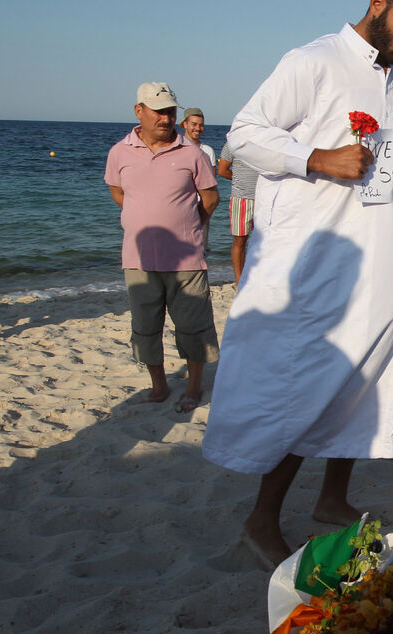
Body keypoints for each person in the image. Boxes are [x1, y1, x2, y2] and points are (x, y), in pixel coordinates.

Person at [201, 0, 393, 567]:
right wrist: (315, 158)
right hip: (314, 257)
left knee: (367, 369)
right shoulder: (314, 60)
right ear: (378, 4)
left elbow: (375, 161)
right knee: (309, 381)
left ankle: (332, 498)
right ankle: (261, 520)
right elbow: (244, 134)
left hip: (379, 248)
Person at [104, 82, 221, 413]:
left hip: (186, 260)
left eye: (171, 111)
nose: (167, 118)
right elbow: (117, 192)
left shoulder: (192, 154)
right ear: (139, 111)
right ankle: (159, 385)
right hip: (138, 258)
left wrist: (186, 227)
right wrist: (141, 217)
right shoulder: (119, 152)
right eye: (159, 111)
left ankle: (195, 387)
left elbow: (210, 198)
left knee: (194, 325)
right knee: (145, 325)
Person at [217, 141, 259, 284]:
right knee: (240, 240)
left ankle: (258, 275)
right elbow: (222, 170)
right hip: (241, 198)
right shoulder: (233, 142)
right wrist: (238, 180)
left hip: (264, 198)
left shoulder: (264, 141)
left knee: (265, 240)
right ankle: (239, 280)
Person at [180, 108, 217, 253]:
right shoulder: (175, 148)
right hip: (179, 208)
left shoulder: (207, 151)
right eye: (194, 124)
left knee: (199, 250)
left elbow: (211, 183)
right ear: (184, 124)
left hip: (200, 208)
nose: (198, 128)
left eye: (201, 125)